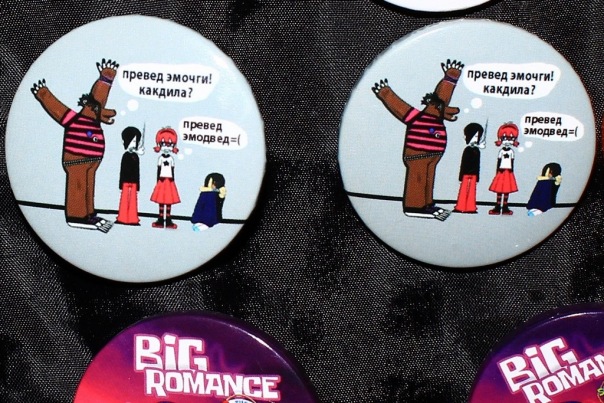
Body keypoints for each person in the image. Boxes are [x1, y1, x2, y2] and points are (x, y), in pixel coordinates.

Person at [372, 59, 464, 221]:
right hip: (418, 155)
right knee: (419, 178)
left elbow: (442, 98)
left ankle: (427, 203)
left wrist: (451, 79)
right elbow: (399, 107)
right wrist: (386, 93)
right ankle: (414, 206)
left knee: (428, 178)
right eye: (440, 107)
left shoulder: (436, 118)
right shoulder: (417, 117)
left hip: (433, 155)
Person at [150, 127, 181, 229]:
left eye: (169, 144)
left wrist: (173, 181)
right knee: (161, 200)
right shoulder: (160, 158)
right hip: (161, 180)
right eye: (163, 144)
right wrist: (157, 181)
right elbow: (158, 170)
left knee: (168, 201)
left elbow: (172, 170)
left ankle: (168, 219)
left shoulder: (171, 159)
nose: (166, 147)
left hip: (169, 181)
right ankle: (160, 218)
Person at [488, 122, 519, 215]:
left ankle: (505, 206)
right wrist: (497, 172)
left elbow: (512, 162)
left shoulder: (511, 152)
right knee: (499, 189)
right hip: (501, 172)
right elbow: (498, 161)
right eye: (505, 138)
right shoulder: (501, 151)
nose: (507, 141)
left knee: (506, 190)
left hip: (508, 172)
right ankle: (497, 206)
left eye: (511, 138)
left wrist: (511, 171)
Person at [453, 122, 485, 214]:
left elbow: (477, 165)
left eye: (477, 137)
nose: (475, 139)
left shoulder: (477, 151)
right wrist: (461, 177)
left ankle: (471, 207)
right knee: (463, 190)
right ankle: (460, 206)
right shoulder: (467, 150)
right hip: (465, 174)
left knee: (472, 191)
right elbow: (463, 164)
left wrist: (477, 177)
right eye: (473, 136)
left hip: (473, 174)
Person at [116, 126, 144, 225]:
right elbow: (122, 171)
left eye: (135, 142)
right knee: (124, 200)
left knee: (133, 201)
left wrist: (138, 185)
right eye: (131, 141)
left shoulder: (136, 156)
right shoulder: (125, 156)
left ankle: (132, 218)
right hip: (125, 182)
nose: (133, 144)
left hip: (134, 182)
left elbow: (137, 171)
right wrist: (120, 184)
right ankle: (122, 217)